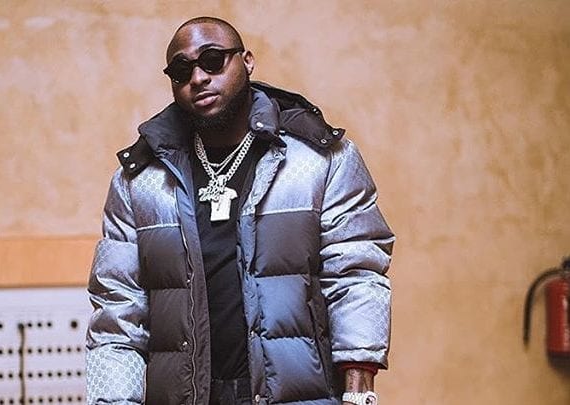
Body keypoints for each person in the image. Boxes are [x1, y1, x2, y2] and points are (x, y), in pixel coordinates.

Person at [85, 16, 394, 405]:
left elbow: (356, 274)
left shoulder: (320, 160)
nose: (198, 77)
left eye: (213, 60)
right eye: (181, 70)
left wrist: (358, 388)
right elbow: (117, 312)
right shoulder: (139, 182)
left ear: (247, 61)